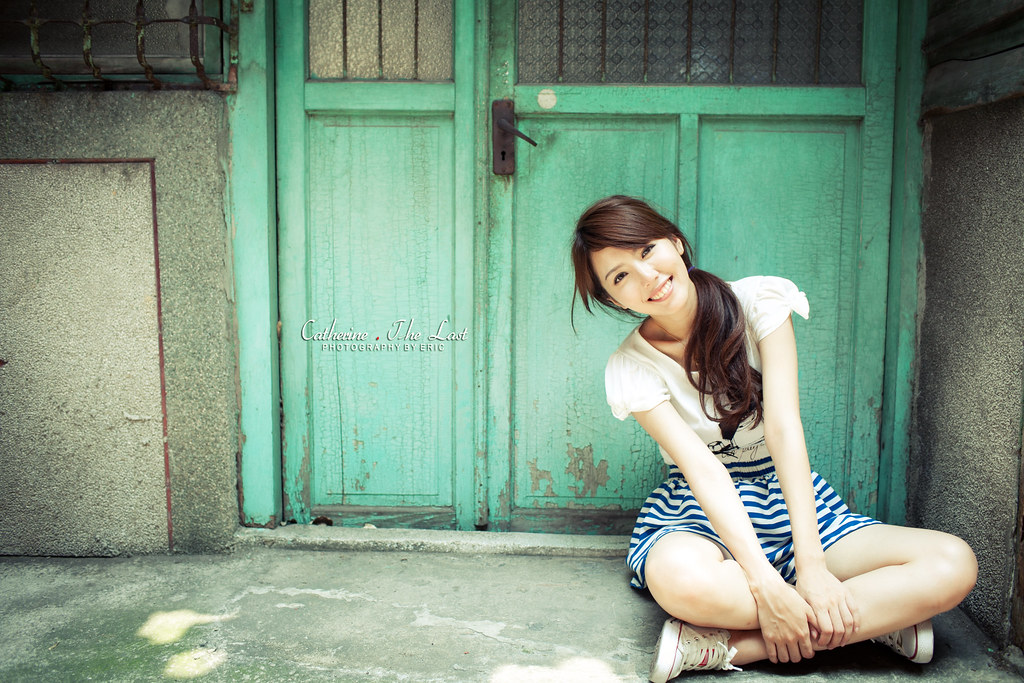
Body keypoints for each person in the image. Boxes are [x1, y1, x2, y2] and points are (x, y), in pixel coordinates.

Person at [570, 196, 977, 681]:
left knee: (953, 562)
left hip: (789, 498)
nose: (647, 276)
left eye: (647, 250)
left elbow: (784, 430)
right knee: (679, 581)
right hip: (700, 512)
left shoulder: (759, 303)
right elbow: (703, 470)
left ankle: (726, 648)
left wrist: (813, 568)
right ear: (615, 300)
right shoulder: (631, 366)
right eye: (620, 277)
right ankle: (874, 621)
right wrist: (765, 584)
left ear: (675, 242)